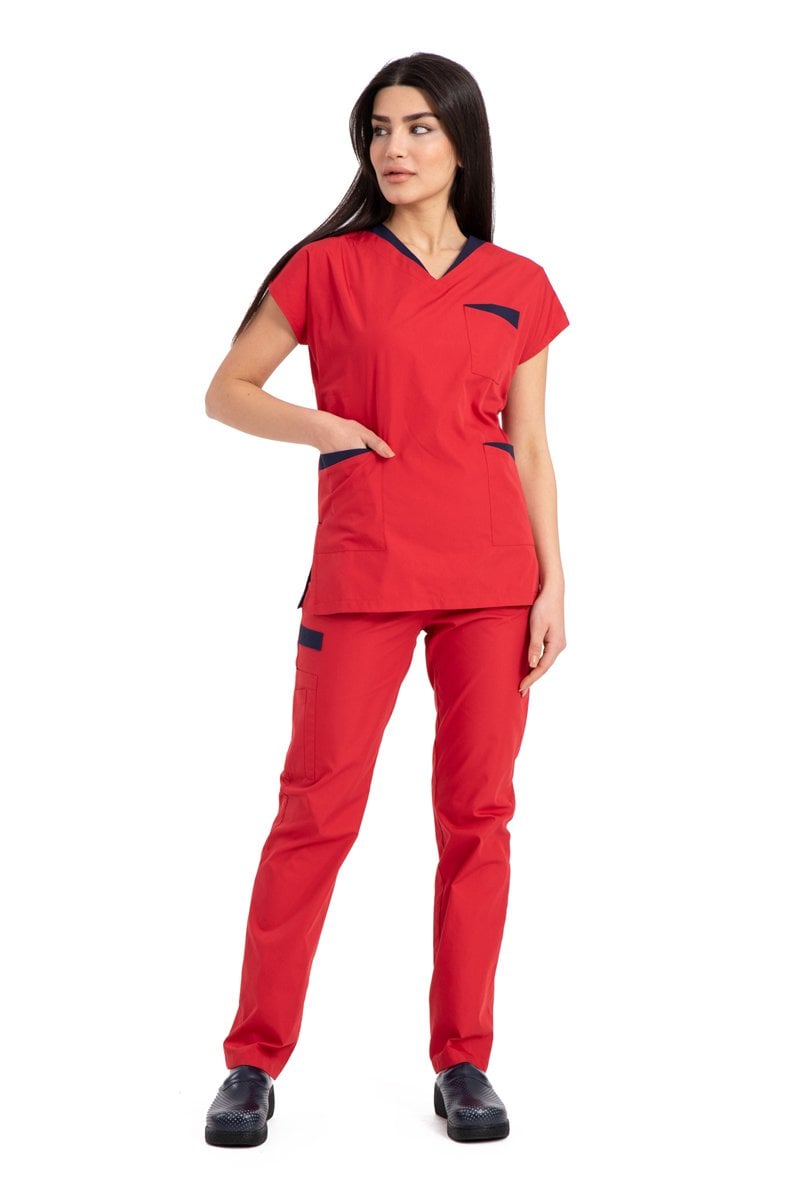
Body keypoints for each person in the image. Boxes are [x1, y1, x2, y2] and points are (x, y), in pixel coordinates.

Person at [203, 50, 569, 1147]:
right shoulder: (325, 267)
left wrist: (554, 581)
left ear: (461, 141)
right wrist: (327, 426)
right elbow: (227, 390)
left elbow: (532, 446)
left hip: (491, 581)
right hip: (363, 568)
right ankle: (252, 1061)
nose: (393, 149)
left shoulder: (518, 282)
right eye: (378, 129)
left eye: (417, 128)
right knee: (315, 812)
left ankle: (463, 1059)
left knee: (478, 818)